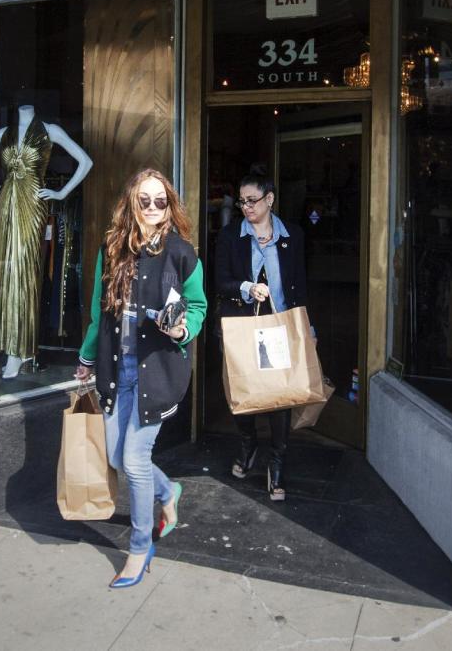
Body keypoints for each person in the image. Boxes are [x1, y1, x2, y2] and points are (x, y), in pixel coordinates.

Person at [75, 169, 207, 589]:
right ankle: (167, 493)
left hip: (158, 373)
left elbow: (199, 305)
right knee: (117, 457)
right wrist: (87, 357)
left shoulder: (180, 252)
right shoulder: (111, 249)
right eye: (144, 201)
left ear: (169, 205)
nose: (152, 208)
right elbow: (100, 312)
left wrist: (183, 329)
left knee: (134, 461)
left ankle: (139, 547)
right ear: (131, 203)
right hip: (118, 370)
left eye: (160, 201)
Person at [214, 164, 308, 501]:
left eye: (252, 200)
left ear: (270, 199)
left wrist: (306, 329)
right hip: (241, 326)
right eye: (241, 202)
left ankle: (277, 461)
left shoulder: (292, 235)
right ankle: (248, 442)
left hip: (279, 328)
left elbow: (300, 284)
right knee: (244, 391)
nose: (246, 207)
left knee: (280, 396)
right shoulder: (229, 236)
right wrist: (245, 287)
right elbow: (219, 282)